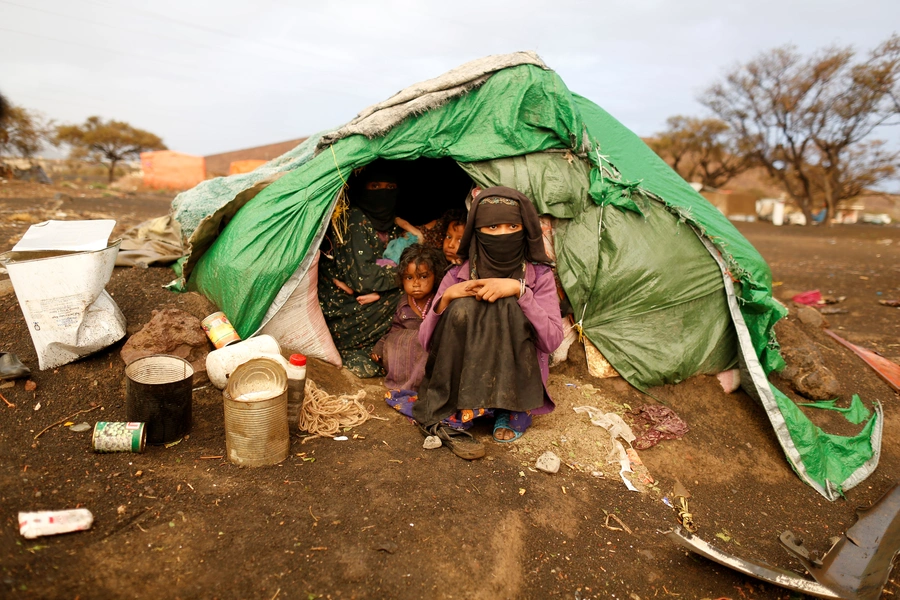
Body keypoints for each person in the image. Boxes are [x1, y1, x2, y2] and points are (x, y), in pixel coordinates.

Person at [411, 186, 563, 459]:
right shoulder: (457, 274)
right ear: (478, 231)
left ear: (525, 228)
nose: (503, 234)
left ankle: (510, 407)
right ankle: (470, 403)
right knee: (462, 306)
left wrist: (521, 292)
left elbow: (551, 341)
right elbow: (424, 341)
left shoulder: (539, 276)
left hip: (517, 378)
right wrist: (445, 299)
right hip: (463, 379)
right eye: (492, 227)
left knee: (509, 305)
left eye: (512, 225)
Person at [318, 166, 404, 377]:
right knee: (409, 293)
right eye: (375, 186)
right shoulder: (354, 220)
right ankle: (354, 347)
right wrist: (401, 278)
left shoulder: (390, 223)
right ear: (363, 189)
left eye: (390, 187)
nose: (383, 193)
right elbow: (364, 279)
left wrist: (380, 288)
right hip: (342, 307)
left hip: (366, 298)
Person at [373, 244, 447, 391]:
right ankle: (405, 384)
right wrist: (379, 347)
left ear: (436, 276)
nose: (416, 284)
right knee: (396, 341)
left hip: (428, 355)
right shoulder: (403, 304)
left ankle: (422, 385)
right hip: (408, 357)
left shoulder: (438, 301)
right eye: (409, 277)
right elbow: (395, 330)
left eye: (423, 276)